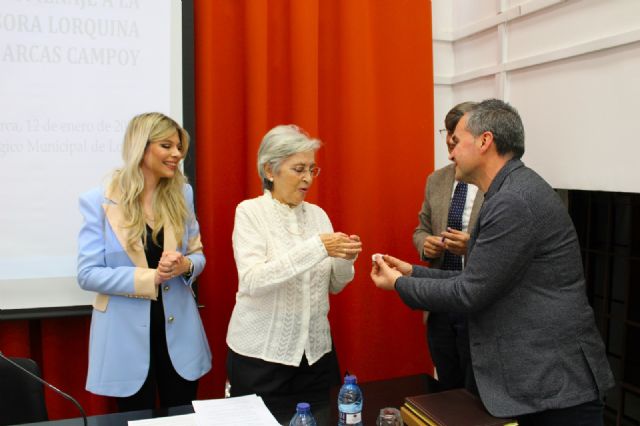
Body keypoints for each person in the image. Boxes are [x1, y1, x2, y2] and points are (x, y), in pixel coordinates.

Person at [371, 99, 614, 424]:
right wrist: (412, 271)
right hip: (538, 384)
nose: (450, 153)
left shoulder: (513, 201)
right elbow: (479, 277)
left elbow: (470, 292)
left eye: (456, 142)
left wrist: (399, 284)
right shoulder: (511, 191)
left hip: (554, 387)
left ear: (485, 141)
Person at [77, 112, 211, 411]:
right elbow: (87, 274)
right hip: (124, 340)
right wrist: (150, 278)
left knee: (183, 416)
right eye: (167, 145)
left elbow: (197, 255)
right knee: (134, 419)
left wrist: (185, 266)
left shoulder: (182, 193)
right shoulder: (98, 199)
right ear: (141, 147)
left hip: (179, 336)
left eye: (179, 147)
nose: (177, 154)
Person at [226, 124, 362, 414]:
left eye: (312, 169)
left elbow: (334, 285)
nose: (307, 179)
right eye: (299, 169)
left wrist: (344, 257)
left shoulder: (318, 215)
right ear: (269, 171)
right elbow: (253, 280)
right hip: (261, 360)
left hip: (316, 358)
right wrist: (318, 248)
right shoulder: (250, 212)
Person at [413, 101, 482, 393]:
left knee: (476, 387)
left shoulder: (495, 183)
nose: (451, 151)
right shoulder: (437, 179)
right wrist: (427, 247)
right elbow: (421, 228)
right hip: (440, 300)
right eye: (448, 140)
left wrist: (471, 246)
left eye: (456, 141)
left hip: (477, 300)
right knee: (446, 385)